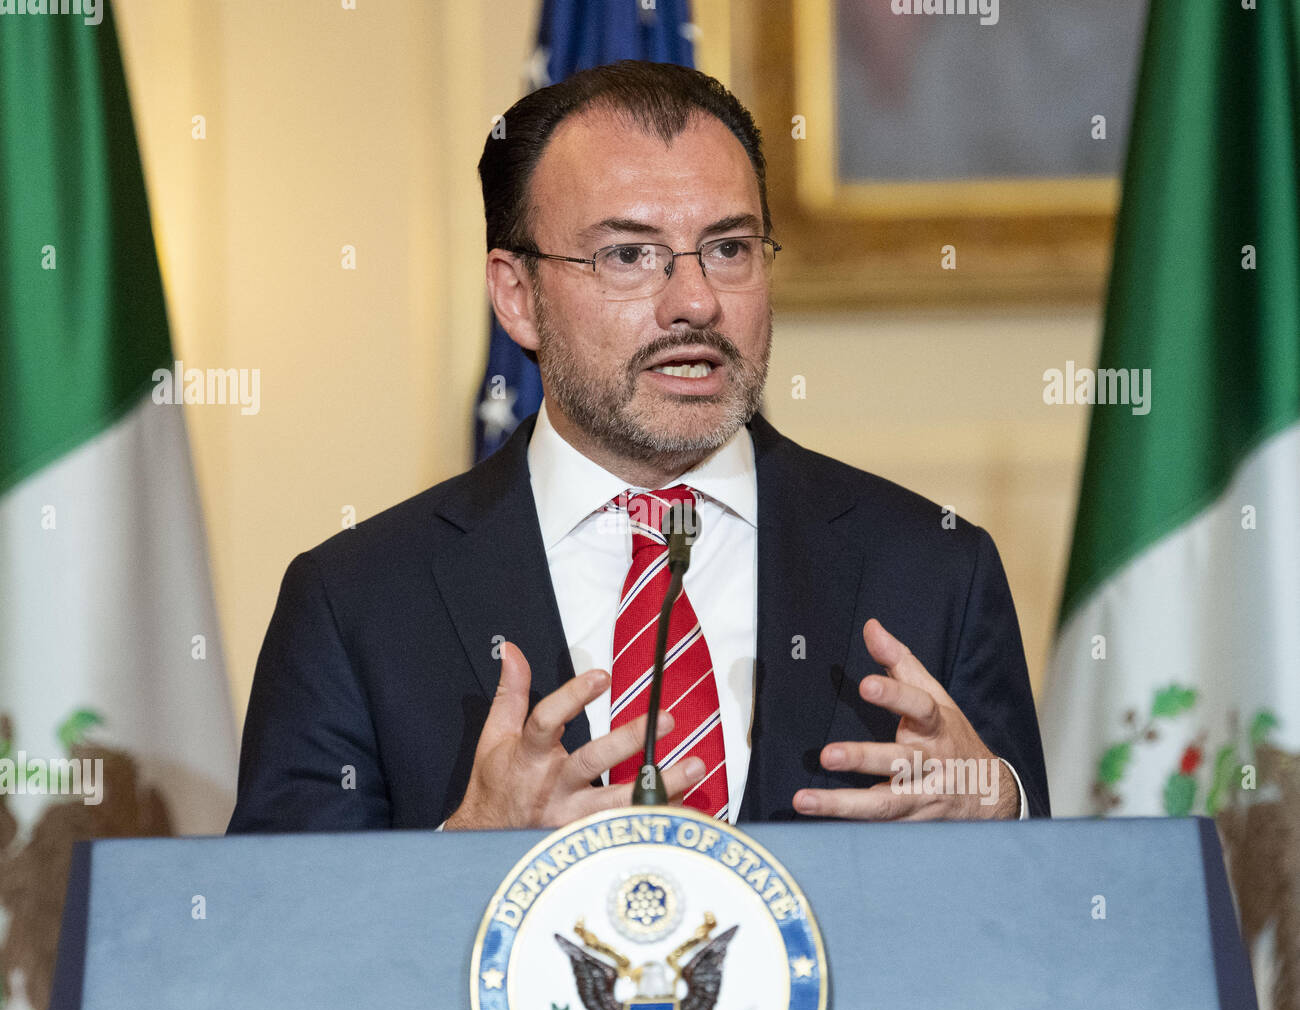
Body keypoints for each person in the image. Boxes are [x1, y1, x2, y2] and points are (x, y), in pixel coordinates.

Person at [227, 61, 1049, 834]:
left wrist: (997, 813)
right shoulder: (355, 605)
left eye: (729, 248)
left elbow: (1047, 930)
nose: (694, 302)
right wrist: (463, 850)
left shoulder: (937, 569)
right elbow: (279, 945)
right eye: (628, 255)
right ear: (517, 297)